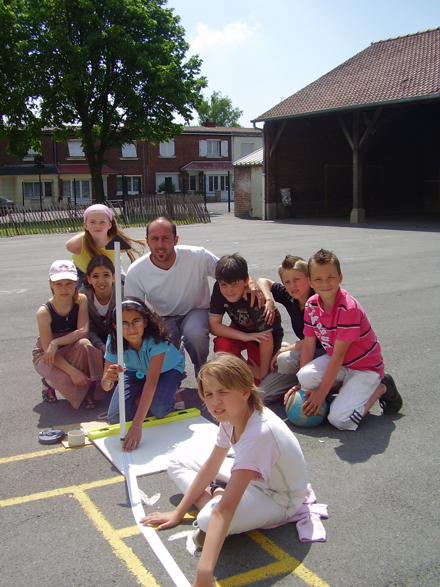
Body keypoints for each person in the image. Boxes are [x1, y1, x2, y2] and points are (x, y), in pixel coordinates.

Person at [140, 354, 308, 587]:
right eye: (209, 394)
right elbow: (212, 465)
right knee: (176, 461)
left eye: (223, 392)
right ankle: (217, 493)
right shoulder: (231, 414)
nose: (215, 401)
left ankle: (217, 495)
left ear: (245, 392)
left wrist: (204, 574)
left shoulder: (258, 432)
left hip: (278, 498)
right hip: (253, 478)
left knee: (210, 518)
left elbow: (226, 509)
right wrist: (178, 513)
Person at [124, 217, 263, 377]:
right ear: (147, 241)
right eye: (155, 239)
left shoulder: (198, 256)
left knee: (195, 335)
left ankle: (202, 374)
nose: (160, 245)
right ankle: (174, 366)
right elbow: (133, 310)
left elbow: (229, 273)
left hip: (195, 310)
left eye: (166, 238)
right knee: (164, 353)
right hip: (163, 316)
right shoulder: (136, 271)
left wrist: (251, 282)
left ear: (176, 240)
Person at [285, 249, 403, 431]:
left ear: (340, 277)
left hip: (364, 367)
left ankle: (381, 388)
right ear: (310, 282)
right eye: (318, 279)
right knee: (305, 376)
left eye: (330, 277)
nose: (324, 284)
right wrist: (300, 384)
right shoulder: (311, 304)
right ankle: (346, 390)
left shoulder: (349, 309)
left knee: (340, 420)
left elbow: (339, 355)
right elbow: (308, 344)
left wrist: (321, 393)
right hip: (341, 364)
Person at [102, 299, 185, 452]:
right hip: (135, 371)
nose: (131, 328)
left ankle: (171, 393)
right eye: (124, 323)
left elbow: (151, 382)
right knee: (115, 417)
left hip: (166, 370)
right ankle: (144, 398)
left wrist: (136, 425)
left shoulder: (156, 339)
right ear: (115, 326)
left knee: (159, 409)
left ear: (145, 322)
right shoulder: (113, 341)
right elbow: (105, 386)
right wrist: (108, 378)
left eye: (136, 321)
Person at [32, 260, 103, 409]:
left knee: (85, 344)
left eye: (69, 283)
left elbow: (83, 331)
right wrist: (73, 372)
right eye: (59, 284)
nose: (64, 289)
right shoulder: (44, 312)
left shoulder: (80, 300)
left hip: (69, 346)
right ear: (50, 283)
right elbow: (48, 352)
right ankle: (49, 381)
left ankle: (91, 387)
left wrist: (56, 343)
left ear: (76, 282)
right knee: (66, 378)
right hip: (47, 355)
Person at [257, 255, 325, 403]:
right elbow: (263, 281)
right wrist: (269, 300)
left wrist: (284, 351)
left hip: (326, 354)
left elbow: (314, 340)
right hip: (305, 352)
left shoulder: (319, 300)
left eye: (296, 279)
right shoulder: (290, 296)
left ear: (308, 278)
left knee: (283, 359)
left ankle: (321, 384)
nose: (292, 286)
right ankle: (296, 376)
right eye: (287, 282)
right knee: (260, 396)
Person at [209, 253, 283, 385]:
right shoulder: (218, 288)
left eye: (235, 284)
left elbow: (267, 339)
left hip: (263, 337)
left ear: (246, 281)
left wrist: (262, 372)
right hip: (243, 331)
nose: (229, 290)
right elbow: (214, 325)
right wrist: (243, 336)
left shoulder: (254, 297)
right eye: (224, 284)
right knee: (222, 347)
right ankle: (240, 370)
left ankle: (278, 354)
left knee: (257, 382)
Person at [66, 203, 144, 287]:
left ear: (110, 225)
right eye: (92, 222)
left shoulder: (115, 240)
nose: (97, 226)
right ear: (86, 226)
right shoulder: (79, 243)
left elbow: (127, 244)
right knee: (78, 294)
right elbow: (69, 246)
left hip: (111, 269)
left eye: (102, 222)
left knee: (124, 288)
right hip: (83, 270)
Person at [79, 255, 119, 356]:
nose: (101, 281)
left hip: (119, 341)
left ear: (114, 277)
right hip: (94, 342)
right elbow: (86, 329)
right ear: (89, 279)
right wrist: (101, 347)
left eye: (106, 275)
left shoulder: (122, 294)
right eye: (95, 276)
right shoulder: (82, 297)